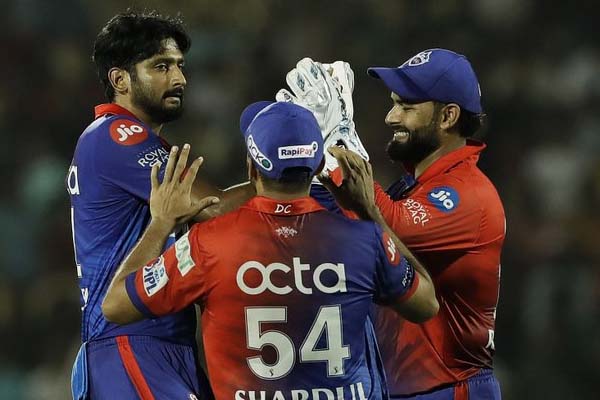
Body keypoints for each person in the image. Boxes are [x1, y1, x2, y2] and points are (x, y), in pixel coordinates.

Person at [101, 101, 439, 399]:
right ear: (317, 166)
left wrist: (161, 223)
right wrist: (370, 212)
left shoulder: (207, 243)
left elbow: (116, 305)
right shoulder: (365, 240)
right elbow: (426, 304)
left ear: (251, 167)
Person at [279, 51, 505, 399]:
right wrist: (309, 153)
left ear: (448, 116)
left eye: (406, 107)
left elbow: (390, 226)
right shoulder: (413, 188)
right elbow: (351, 222)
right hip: (403, 388)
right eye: (393, 104)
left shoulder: (469, 194)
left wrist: (338, 137)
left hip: (448, 389)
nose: (391, 117)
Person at [68, 10, 251, 399]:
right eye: (161, 66)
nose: (179, 79)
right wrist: (293, 170)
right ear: (120, 79)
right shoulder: (116, 135)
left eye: (180, 66)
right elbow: (213, 207)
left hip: (158, 343)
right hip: (131, 341)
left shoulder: (127, 140)